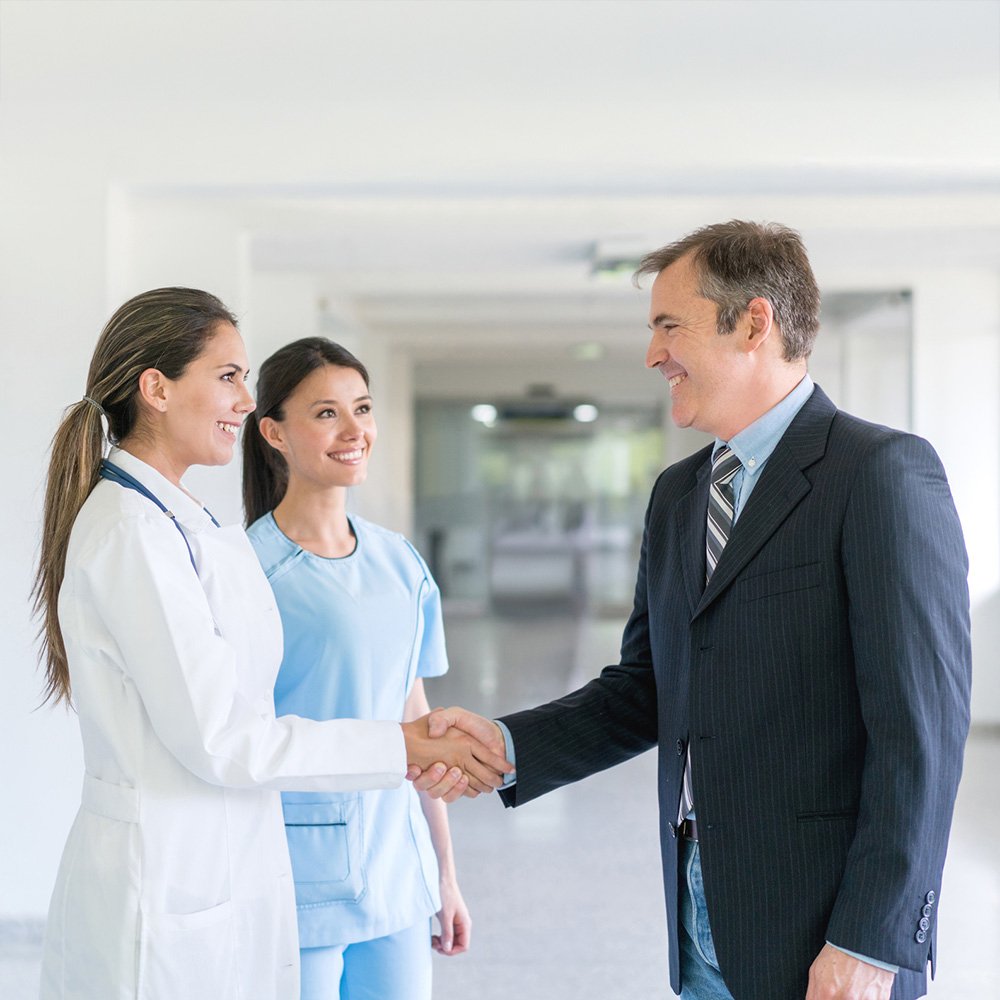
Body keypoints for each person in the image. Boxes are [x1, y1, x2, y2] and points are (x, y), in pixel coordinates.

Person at [422, 222, 972, 1000]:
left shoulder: (879, 473)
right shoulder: (680, 496)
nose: (653, 355)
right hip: (700, 912)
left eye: (668, 326)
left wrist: (870, 941)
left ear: (754, 322)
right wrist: (509, 744)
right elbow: (646, 688)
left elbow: (923, 734)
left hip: (828, 929)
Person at [31, 288, 507, 1000]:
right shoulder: (135, 535)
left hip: (232, 867)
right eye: (227, 376)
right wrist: (405, 747)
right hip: (170, 881)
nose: (245, 400)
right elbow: (227, 738)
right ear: (156, 389)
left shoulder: (179, 527)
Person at [241, 337, 470, 1000]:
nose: (354, 431)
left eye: (362, 409)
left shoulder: (400, 563)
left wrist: (445, 876)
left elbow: (418, 724)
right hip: (293, 876)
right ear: (274, 433)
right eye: (326, 414)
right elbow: (231, 737)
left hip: (398, 870)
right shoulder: (247, 571)